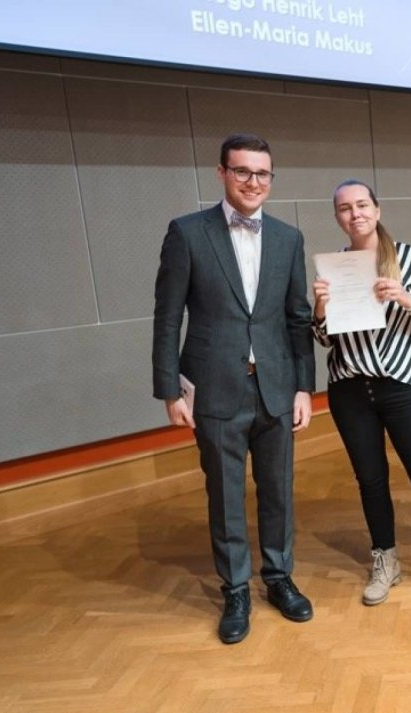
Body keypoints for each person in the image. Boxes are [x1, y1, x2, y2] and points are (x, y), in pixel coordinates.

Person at [152, 132, 316, 644]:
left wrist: (304, 387)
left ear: (271, 179)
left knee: (278, 490)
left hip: (276, 387)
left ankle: (279, 577)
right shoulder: (187, 233)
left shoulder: (288, 238)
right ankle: (237, 589)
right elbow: (167, 318)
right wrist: (169, 390)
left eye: (262, 173)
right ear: (222, 173)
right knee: (224, 495)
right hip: (215, 388)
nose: (252, 181)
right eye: (242, 171)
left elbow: (297, 318)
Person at [313, 180, 411, 605]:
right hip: (350, 390)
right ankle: (385, 559)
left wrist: (407, 300)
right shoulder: (334, 267)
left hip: (402, 386)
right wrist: (320, 308)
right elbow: (324, 338)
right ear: (337, 217)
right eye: (345, 208)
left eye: (362, 205)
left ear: (377, 209)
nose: (354, 214)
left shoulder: (407, 257)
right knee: (371, 481)